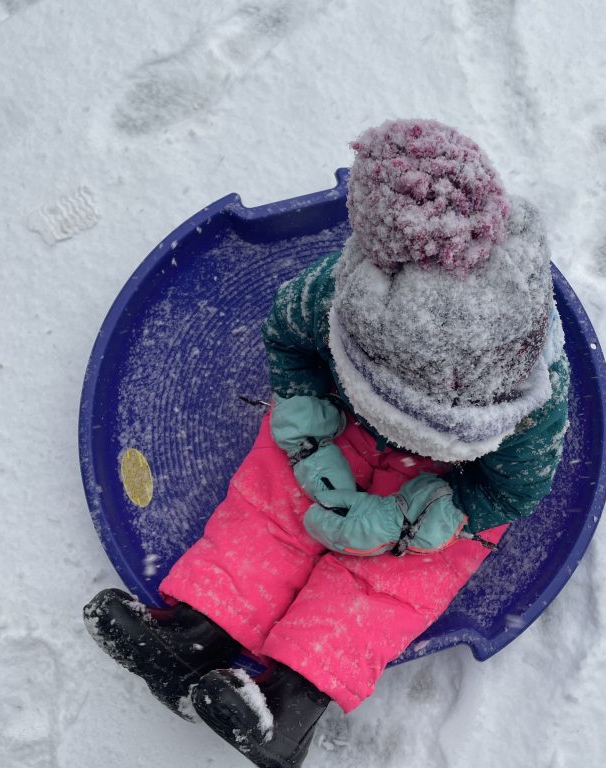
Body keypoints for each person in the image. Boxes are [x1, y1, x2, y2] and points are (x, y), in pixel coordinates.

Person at [83, 118, 570, 768]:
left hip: (442, 494)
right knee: (271, 504)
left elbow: (515, 488)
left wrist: (432, 513)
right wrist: (309, 422)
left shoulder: (533, 404)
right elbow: (288, 341)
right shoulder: (336, 296)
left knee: (386, 582)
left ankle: (288, 706)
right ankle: (197, 634)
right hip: (336, 426)